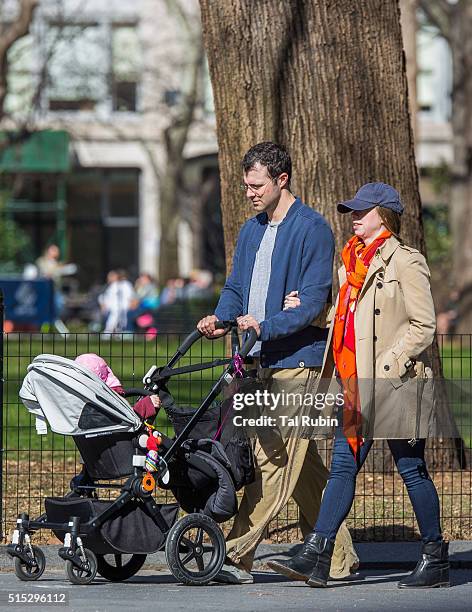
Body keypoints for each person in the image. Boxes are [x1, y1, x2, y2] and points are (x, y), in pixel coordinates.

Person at [268, 182, 450, 589]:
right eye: (352, 210)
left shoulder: (406, 261)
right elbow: (348, 321)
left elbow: (424, 325)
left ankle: (435, 557)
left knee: (411, 469)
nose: (353, 216)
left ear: (383, 216)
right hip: (355, 385)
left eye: (361, 211)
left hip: (394, 384)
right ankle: (317, 552)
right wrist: (314, 313)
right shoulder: (351, 263)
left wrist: (388, 364)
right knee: (344, 467)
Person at [197, 141, 358, 584]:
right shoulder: (252, 230)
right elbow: (235, 288)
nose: (249, 192)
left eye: (256, 185)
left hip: (299, 362)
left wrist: (265, 325)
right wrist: (222, 317)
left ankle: (233, 555)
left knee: (274, 463)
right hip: (257, 360)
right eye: (247, 185)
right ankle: (339, 559)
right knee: (299, 464)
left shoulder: (312, 230)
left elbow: (309, 307)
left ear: (281, 180)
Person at [74, 353, 160, 420]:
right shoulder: (106, 398)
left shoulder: (76, 399)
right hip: (118, 438)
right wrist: (147, 404)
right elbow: (126, 419)